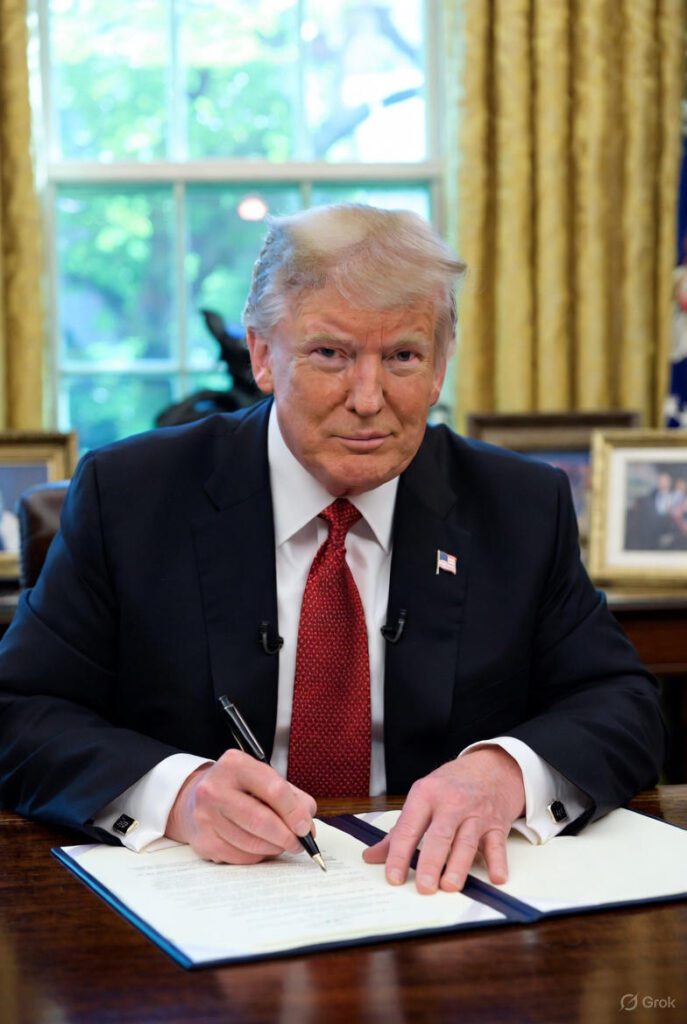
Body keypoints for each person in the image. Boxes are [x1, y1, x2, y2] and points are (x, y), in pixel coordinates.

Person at [0, 204, 665, 896]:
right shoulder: (131, 496)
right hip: (200, 901)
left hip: (434, 901)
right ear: (262, 354)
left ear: (439, 367)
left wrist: (502, 773)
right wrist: (180, 793)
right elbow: (21, 714)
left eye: (403, 356)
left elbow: (623, 705)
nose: (369, 398)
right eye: (330, 355)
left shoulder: (519, 506)